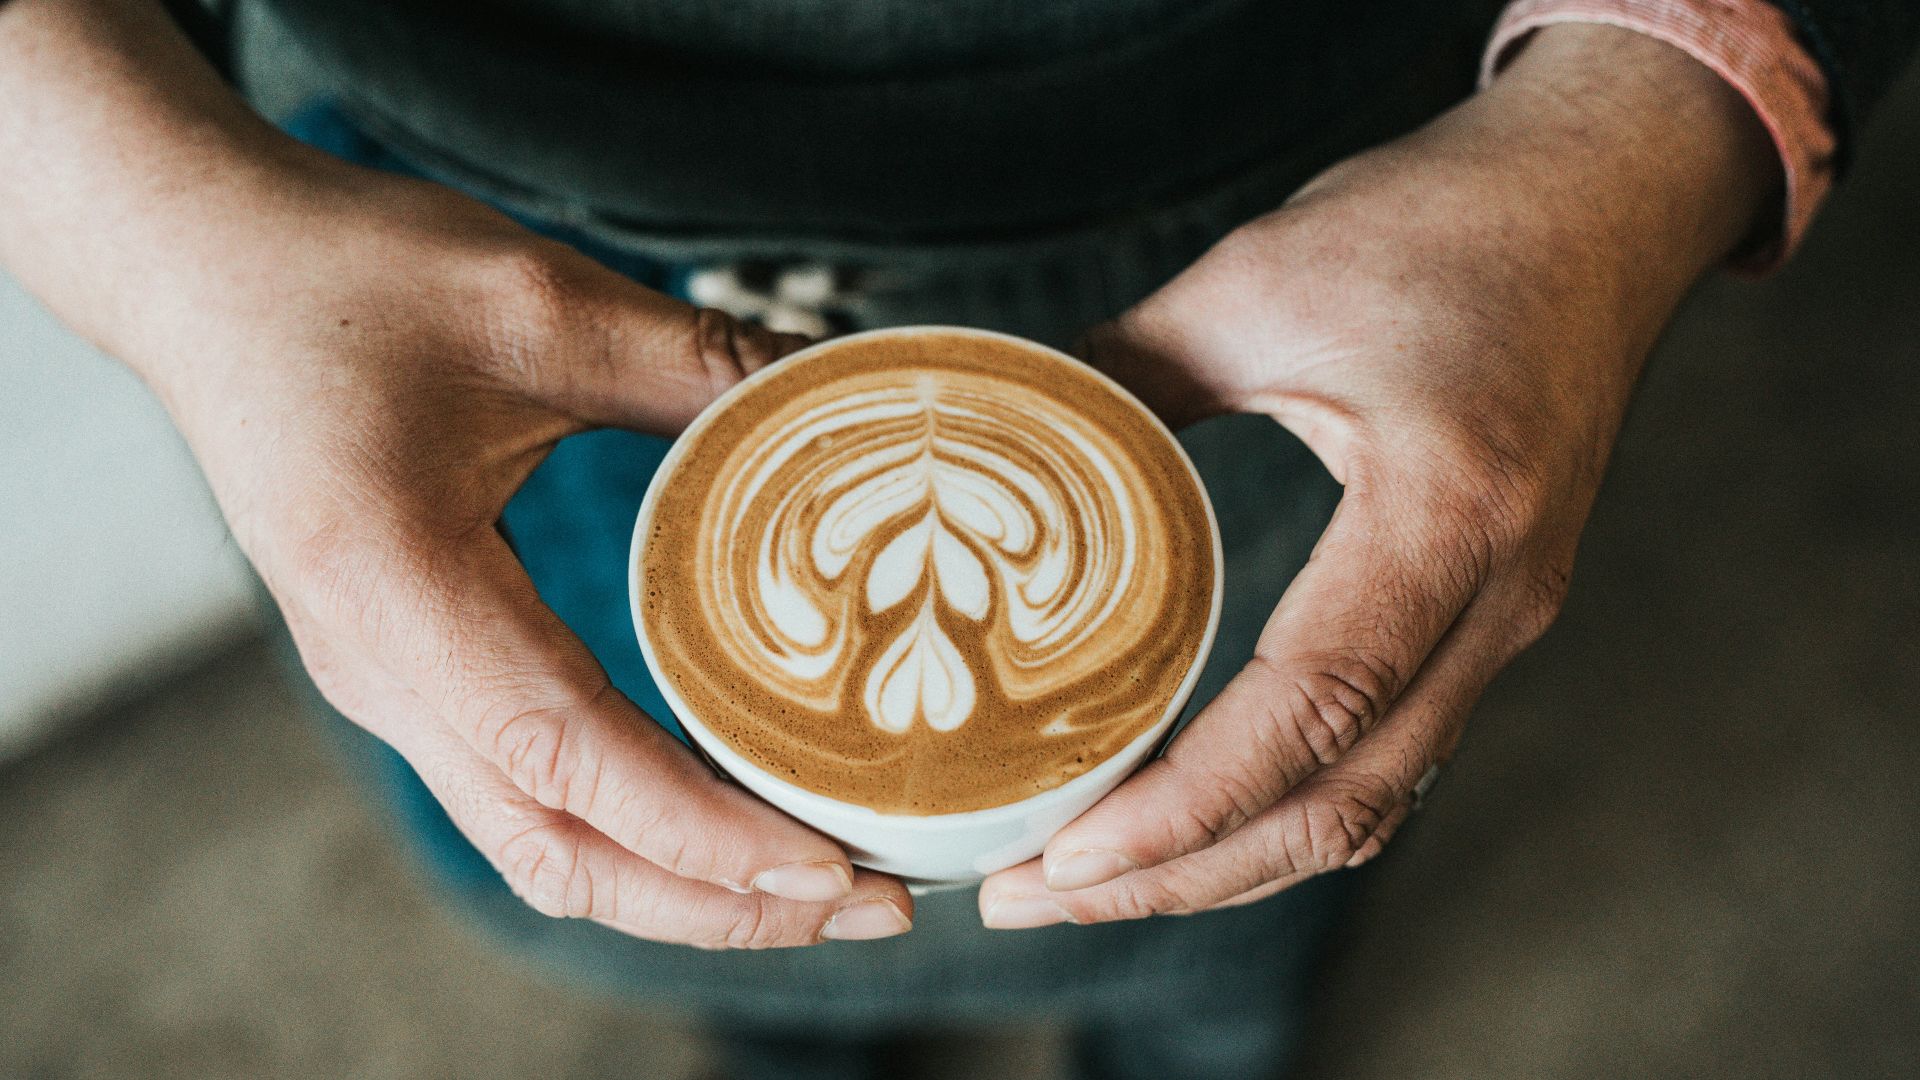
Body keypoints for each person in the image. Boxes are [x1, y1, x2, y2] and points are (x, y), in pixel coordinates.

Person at [2, 1, 1913, 1077]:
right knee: (682, 883)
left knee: (1238, 854)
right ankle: (797, 1052)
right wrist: (147, 226)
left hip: (1304, 226)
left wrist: (1643, 116)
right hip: (425, 253)